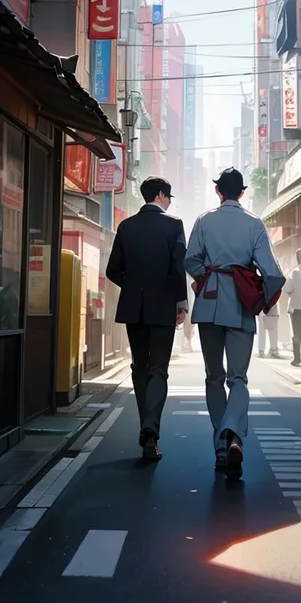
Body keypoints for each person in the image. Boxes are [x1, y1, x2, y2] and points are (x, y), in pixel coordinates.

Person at [185, 168, 285, 479]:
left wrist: (207, 274)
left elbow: (190, 260)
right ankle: (234, 435)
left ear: (218, 191)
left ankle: (219, 446)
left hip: (210, 303)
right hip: (241, 306)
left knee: (214, 377)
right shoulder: (254, 224)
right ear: (242, 192)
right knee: (238, 378)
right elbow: (273, 273)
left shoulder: (203, 220)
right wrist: (262, 301)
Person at [106, 177, 188, 461]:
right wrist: (180, 301)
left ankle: (146, 428)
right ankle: (150, 429)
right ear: (162, 195)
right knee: (158, 370)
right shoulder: (173, 225)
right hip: (163, 306)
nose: (169, 202)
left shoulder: (126, 226)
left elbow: (112, 269)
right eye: (169, 197)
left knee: (139, 367)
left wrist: (132, 286)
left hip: (133, 307)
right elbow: (179, 268)